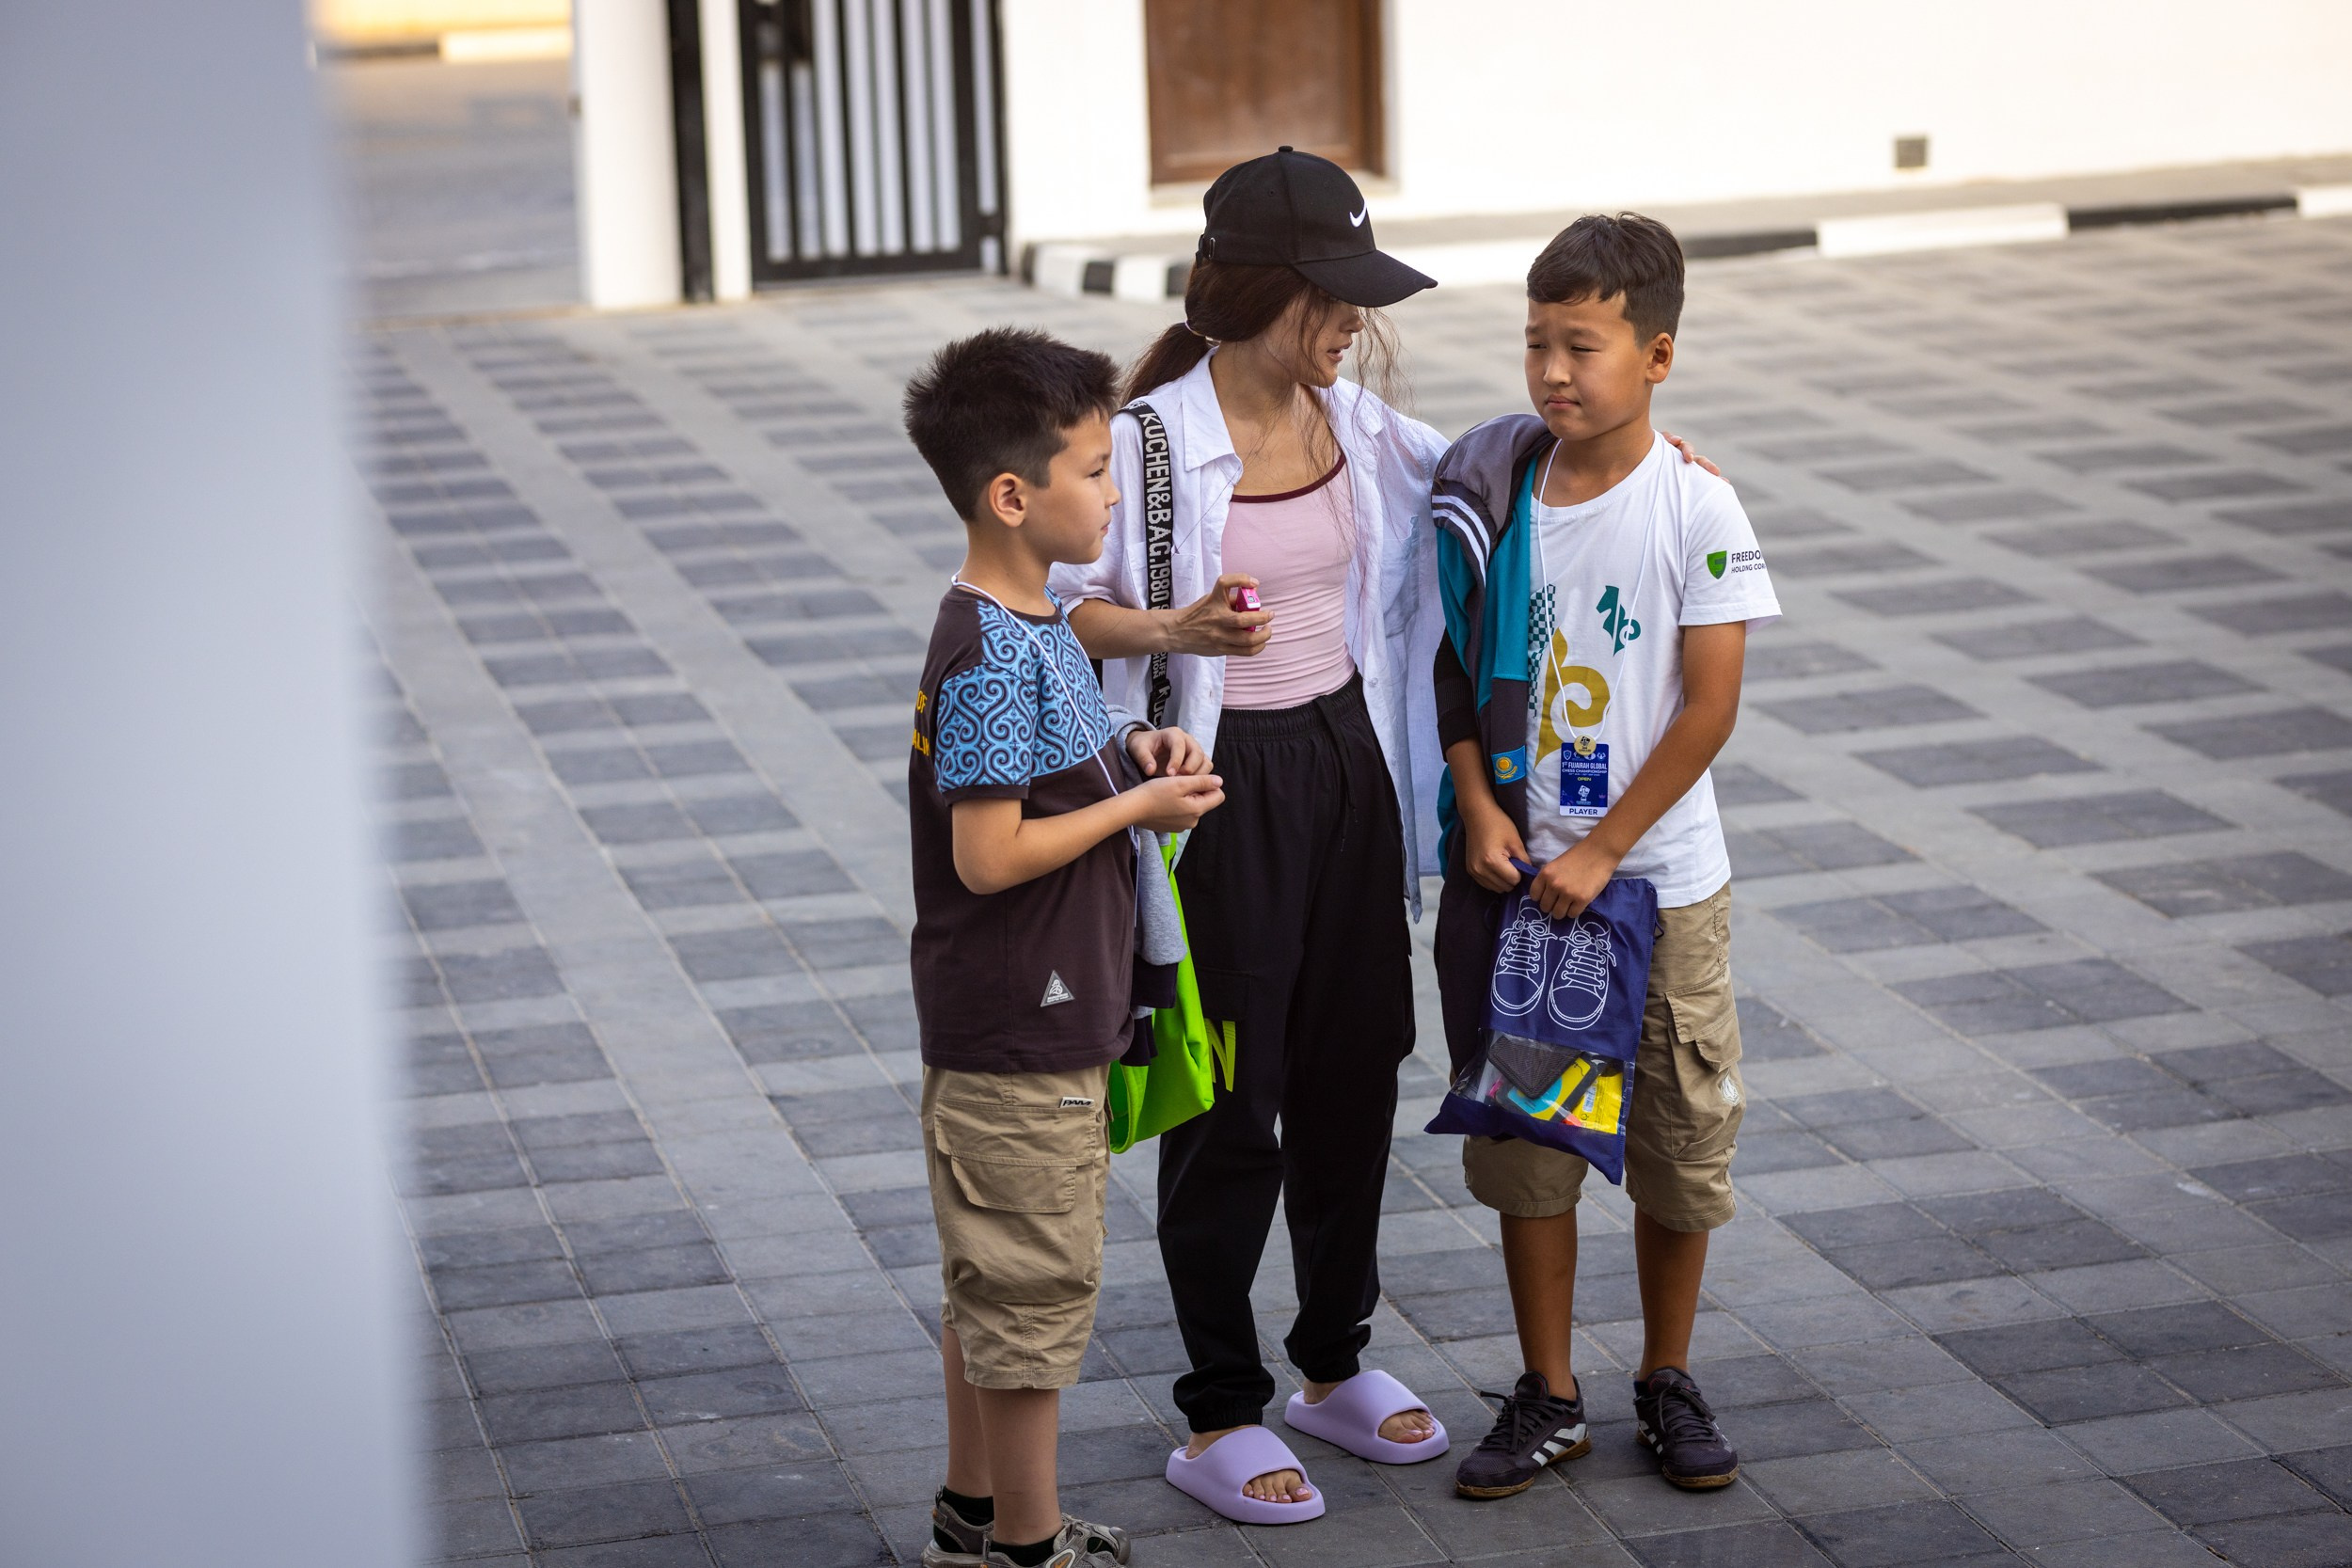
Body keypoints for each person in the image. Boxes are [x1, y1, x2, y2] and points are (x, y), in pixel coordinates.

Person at [1052, 147, 1453, 1520]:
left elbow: (1490, 488)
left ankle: (1333, 1367)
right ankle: (1218, 1408)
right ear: (1266, 291)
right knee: (1231, 1099)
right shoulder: (1149, 441)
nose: (1353, 320)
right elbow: (1050, 606)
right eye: (1333, 295)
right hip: (1217, 791)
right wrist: (1173, 629)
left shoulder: (1358, 419)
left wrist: (1643, 452)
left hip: (1351, 767)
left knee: (1358, 1070)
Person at [1428, 214, 1780, 1501]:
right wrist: (1476, 805)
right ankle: (1549, 1389)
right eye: (1536, 345)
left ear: (1659, 355)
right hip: (1528, 887)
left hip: (1661, 890)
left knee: (1680, 1147)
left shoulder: (1697, 505)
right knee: (1533, 1148)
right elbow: (1458, 666)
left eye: (1583, 346)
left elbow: (1708, 708)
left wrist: (1610, 848)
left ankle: (1667, 1375)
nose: (1553, 374)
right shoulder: (1499, 491)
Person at [900, 328, 1225, 1568]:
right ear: (1012, 496)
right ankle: (1027, 1549)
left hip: (1036, 1014)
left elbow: (1043, 781)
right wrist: (1137, 811)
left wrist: (1127, 760)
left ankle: (972, 1516)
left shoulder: (1037, 619)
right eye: (1092, 469)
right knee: (1029, 1294)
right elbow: (989, 854)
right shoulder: (990, 644)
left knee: (993, 1284)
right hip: (1016, 1028)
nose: (1110, 489)